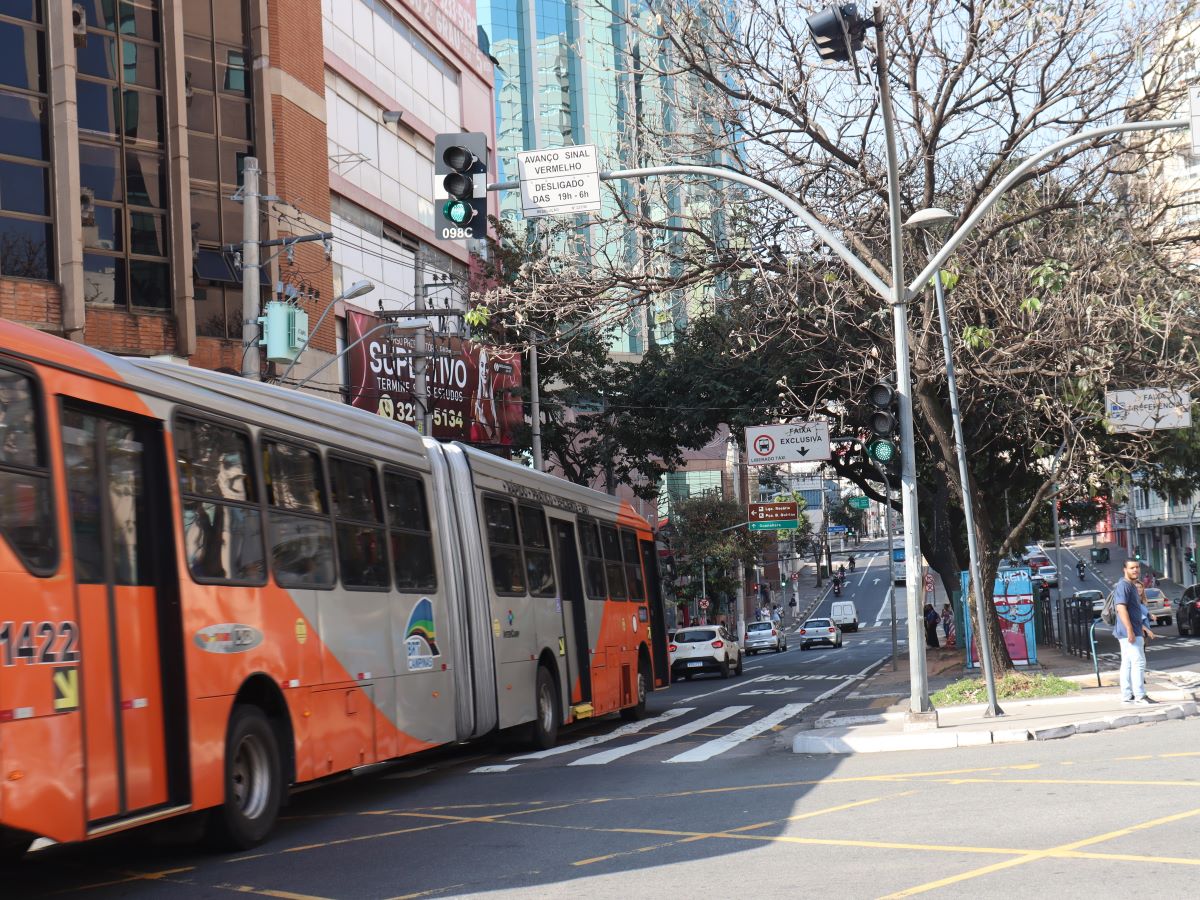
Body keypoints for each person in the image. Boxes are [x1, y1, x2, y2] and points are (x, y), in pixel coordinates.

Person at [1114, 559, 1156, 705]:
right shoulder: (1123, 585)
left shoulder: (1131, 585)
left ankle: (1127, 695)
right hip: (1129, 631)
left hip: (1131, 630)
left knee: (1128, 663)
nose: (1135, 570)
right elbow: (1121, 608)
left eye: (1137, 567)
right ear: (1124, 569)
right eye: (1132, 568)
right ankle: (1140, 695)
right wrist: (1130, 630)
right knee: (1138, 661)